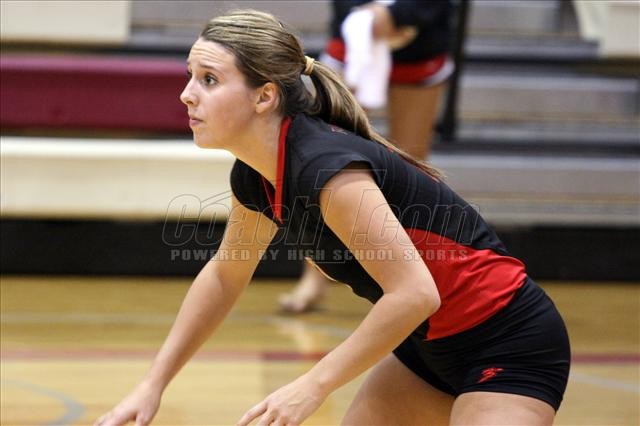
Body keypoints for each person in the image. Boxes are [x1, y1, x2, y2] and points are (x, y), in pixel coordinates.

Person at [95, 10, 570, 426]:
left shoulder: (328, 170)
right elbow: (225, 275)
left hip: (508, 343)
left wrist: (313, 384)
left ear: (264, 97)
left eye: (209, 80)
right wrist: (152, 384)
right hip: (426, 351)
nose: (186, 95)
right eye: (190, 76)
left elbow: (414, 293)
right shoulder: (255, 175)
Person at [279, 0, 455, 313]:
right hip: (354, 38)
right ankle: (314, 277)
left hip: (420, 42)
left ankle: (417, 281)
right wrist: (364, 16)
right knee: (325, 158)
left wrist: (398, 15)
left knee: (413, 167)